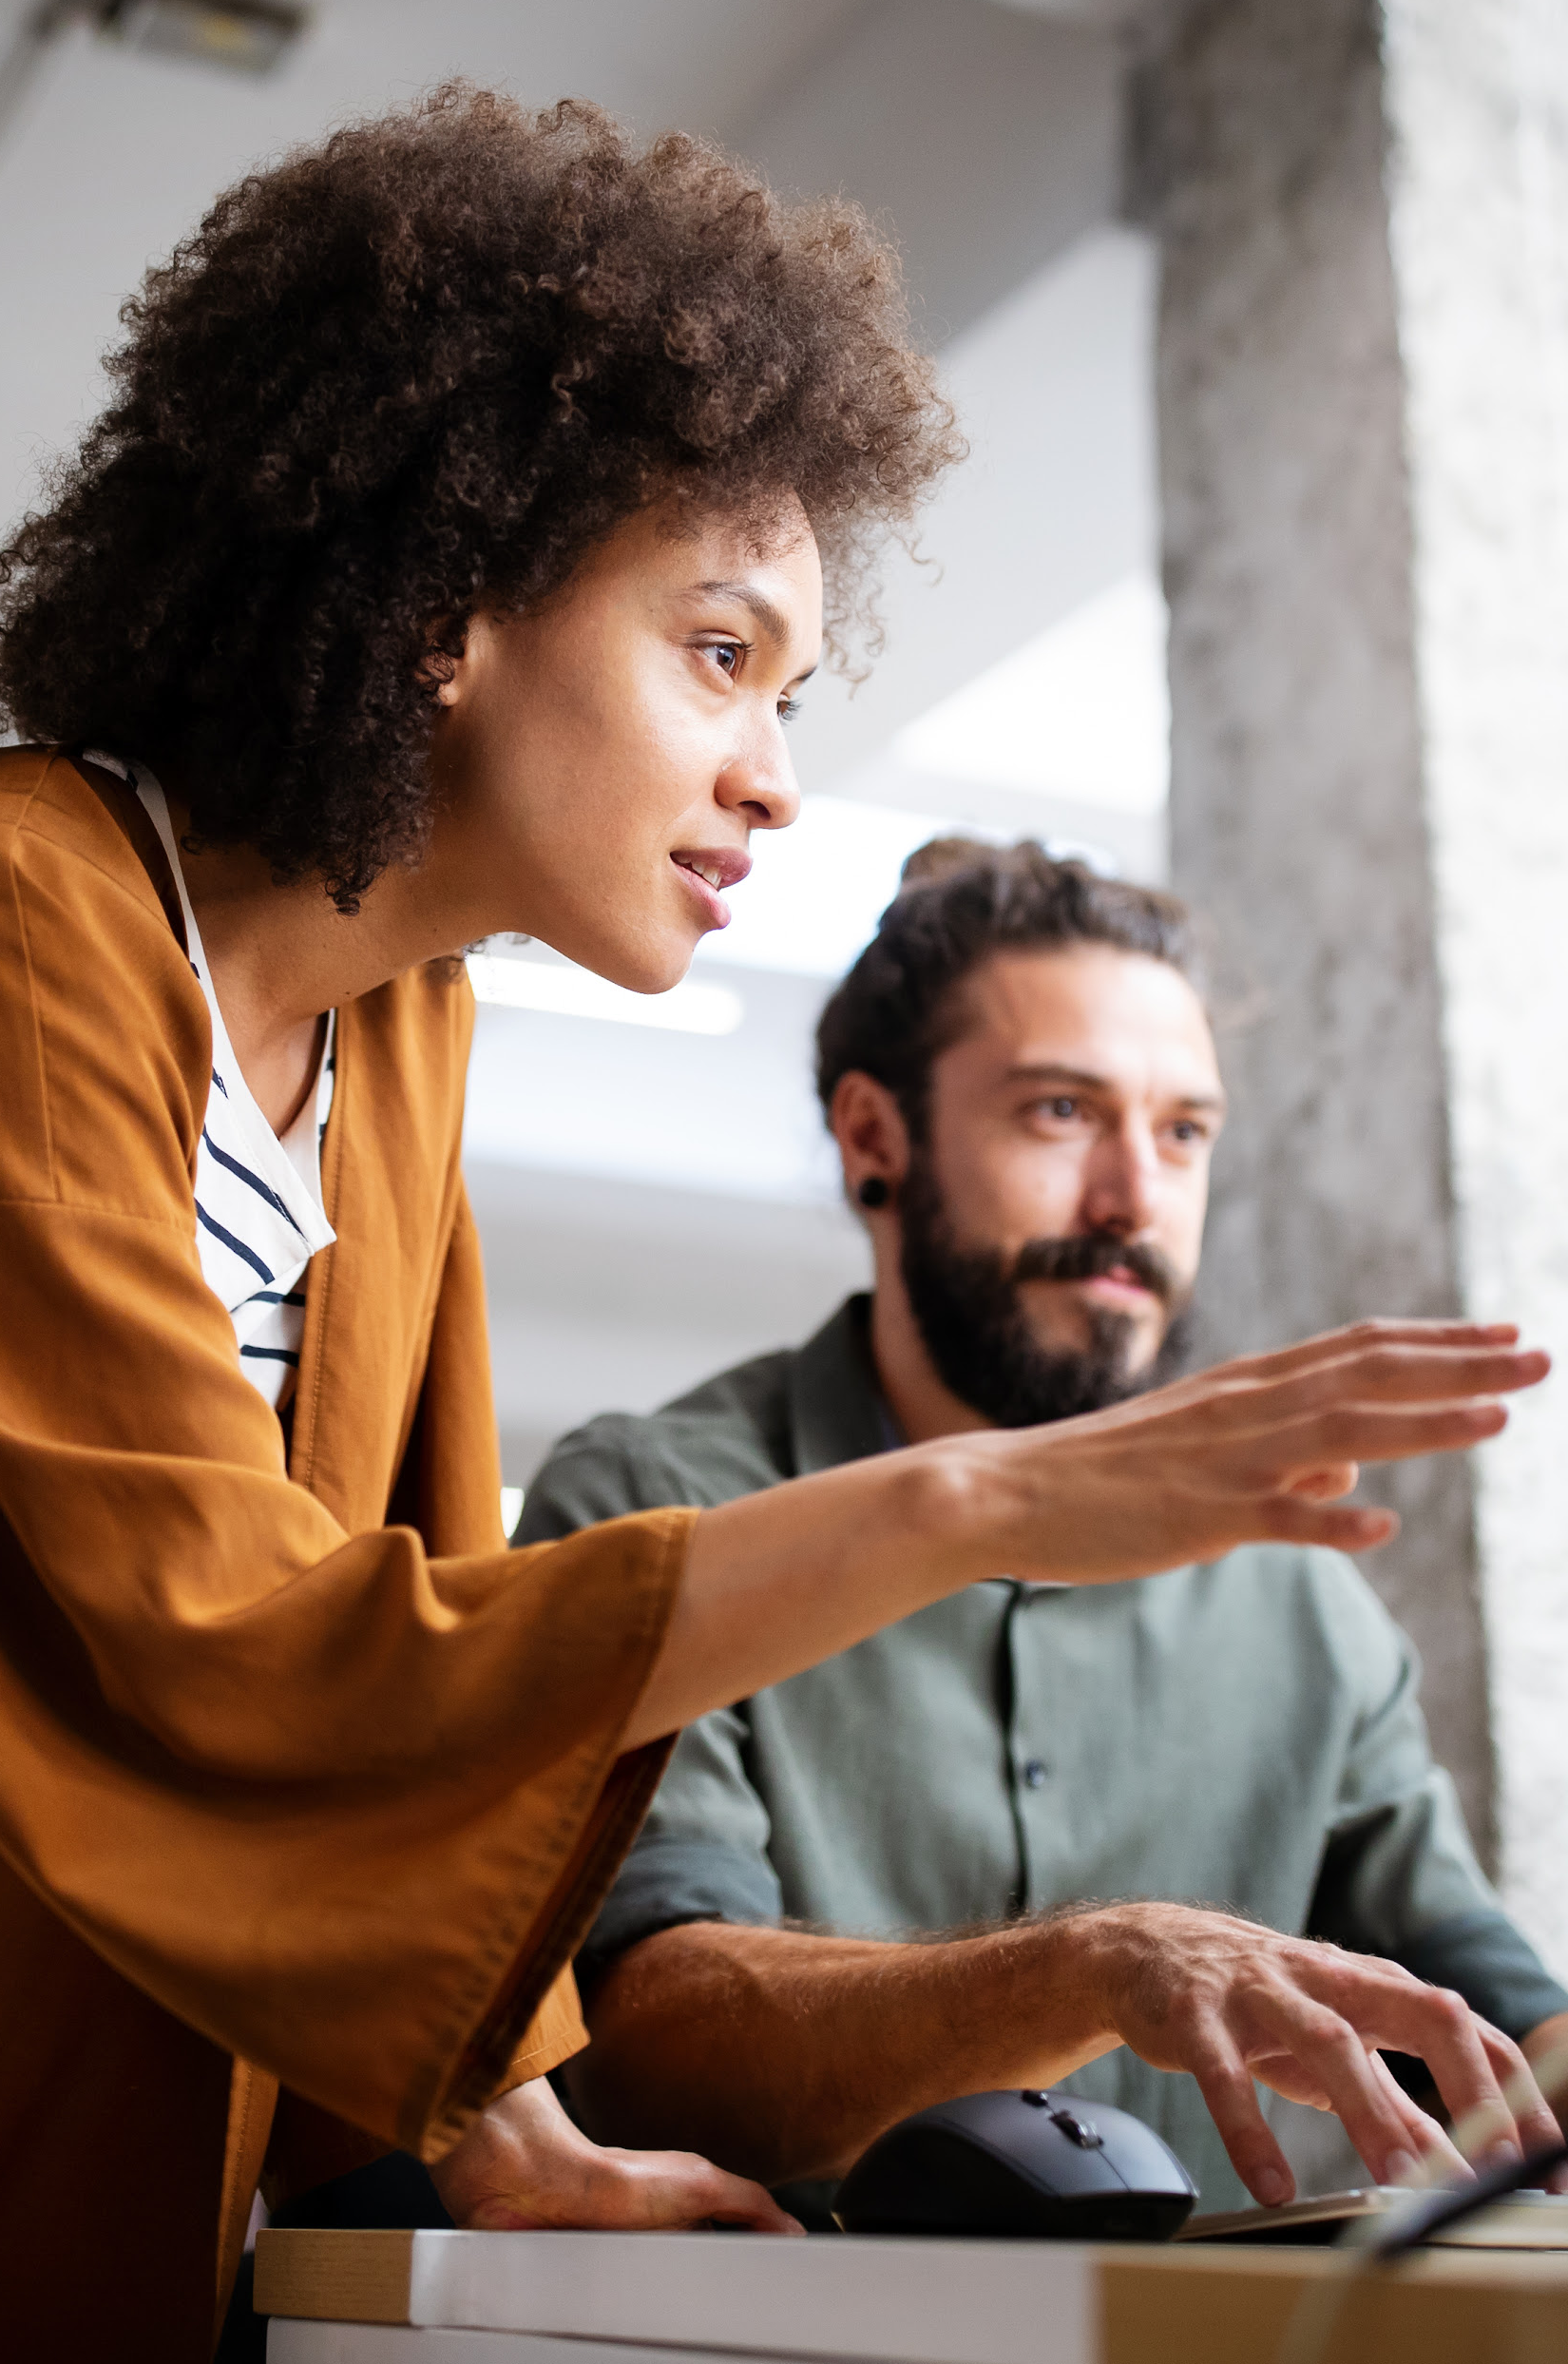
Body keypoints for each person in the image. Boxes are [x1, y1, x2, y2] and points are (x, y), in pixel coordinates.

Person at [0, 91, 1550, 2364]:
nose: (773, 770)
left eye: (793, 692)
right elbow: (226, 1647)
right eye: (720, 650)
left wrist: (516, 2140)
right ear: (450, 598)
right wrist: (981, 1502)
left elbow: (406, 1612)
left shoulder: (394, 1028)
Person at [512, 838, 1568, 2219]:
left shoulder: (1301, 1594)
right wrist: (1093, 1967)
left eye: (1184, 1130)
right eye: (1062, 1112)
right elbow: (654, 2053)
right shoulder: (661, 1509)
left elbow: (1486, 2026)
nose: (1136, 1197)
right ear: (874, 1138)